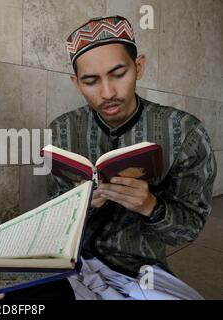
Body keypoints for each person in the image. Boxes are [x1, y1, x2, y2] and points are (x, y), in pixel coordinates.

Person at [48, 15, 217, 300]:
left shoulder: (185, 131)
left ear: (138, 67)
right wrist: (80, 204)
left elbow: (188, 230)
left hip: (141, 271)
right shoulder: (61, 130)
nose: (108, 92)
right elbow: (52, 222)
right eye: (91, 81)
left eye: (118, 74)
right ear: (77, 84)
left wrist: (151, 206)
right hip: (73, 264)